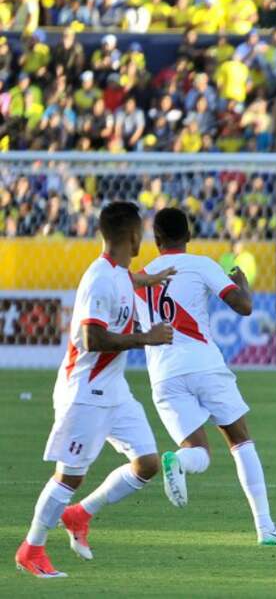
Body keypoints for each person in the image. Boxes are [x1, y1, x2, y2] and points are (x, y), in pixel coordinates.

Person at [15, 202, 174, 577]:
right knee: (69, 476)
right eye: (142, 233)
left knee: (147, 462)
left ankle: (80, 515)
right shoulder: (100, 278)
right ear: (133, 236)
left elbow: (125, 282)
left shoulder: (119, 271)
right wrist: (144, 338)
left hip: (113, 390)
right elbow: (91, 337)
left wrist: (145, 281)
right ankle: (31, 548)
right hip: (84, 392)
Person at [135, 208, 276, 545]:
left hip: (163, 374)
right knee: (240, 440)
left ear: (156, 240)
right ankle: (265, 528)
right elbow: (244, 307)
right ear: (188, 237)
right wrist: (243, 285)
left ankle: (180, 460)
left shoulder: (140, 277)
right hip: (204, 364)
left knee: (199, 454)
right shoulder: (202, 264)